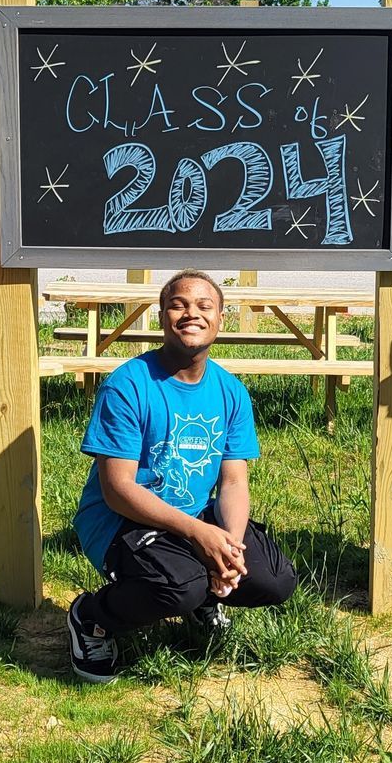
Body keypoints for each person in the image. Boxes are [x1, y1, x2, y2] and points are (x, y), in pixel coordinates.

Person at [67, 270, 300, 683]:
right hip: (121, 520)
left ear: (221, 319)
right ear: (162, 317)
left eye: (204, 306)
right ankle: (92, 618)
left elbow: (233, 482)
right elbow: (118, 489)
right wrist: (198, 534)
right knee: (180, 587)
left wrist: (229, 549)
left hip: (193, 516)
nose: (191, 313)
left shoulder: (231, 392)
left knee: (274, 579)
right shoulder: (128, 385)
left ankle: (203, 593)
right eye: (178, 305)